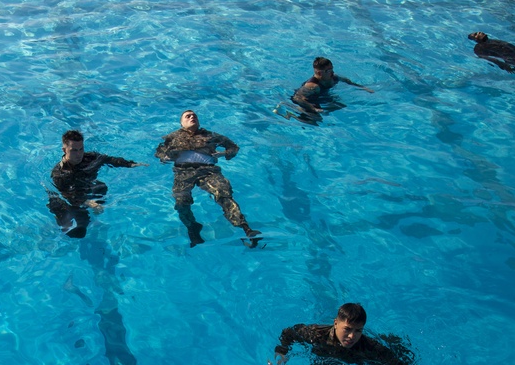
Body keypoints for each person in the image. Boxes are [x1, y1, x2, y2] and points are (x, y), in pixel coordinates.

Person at [271, 302, 423, 365]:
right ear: (336, 323)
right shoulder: (316, 334)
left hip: (354, 361)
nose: (352, 336)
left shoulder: (369, 346)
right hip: (328, 356)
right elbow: (289, 333)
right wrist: (281, 353)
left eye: (358, 331)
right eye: (348, 329)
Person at [154, 110, 260, 247]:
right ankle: (193, 228)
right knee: (181, 202)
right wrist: (165, 157)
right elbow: (159, 152)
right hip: (183, 171)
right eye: (188, 116)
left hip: (209, 171)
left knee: (223, 194)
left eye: (194, 116)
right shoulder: (172, 137)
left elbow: (233, 147)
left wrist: (222, 154)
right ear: (181, 123)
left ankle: (246, 228)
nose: (192, 117)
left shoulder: (210, 135)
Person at [47, 130, 146, 239]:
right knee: (78, 231)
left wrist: (130, 164)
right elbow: (67, 195)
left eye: (81, 149)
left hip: (83, 189)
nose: (79, 154)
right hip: (65, 200)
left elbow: (107, 159)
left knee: (101, 187)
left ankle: (94, 214)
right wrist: (89, 203)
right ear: (64, 150)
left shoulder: (88, 158)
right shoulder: (59, 173)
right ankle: (56, 226)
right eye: (74, 150)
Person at [286, 56, 374, 121]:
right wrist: (313, 108)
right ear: (319, 73)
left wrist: (364, 88)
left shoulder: (334, 77)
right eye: (328, 71)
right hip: (309, 100)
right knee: (316, 119)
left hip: (322, 97)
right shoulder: (312, 86)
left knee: (341, 105)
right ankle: (292, 112)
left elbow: (348, 82)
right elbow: (297, 98)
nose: (332, 72)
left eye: (332, 69)